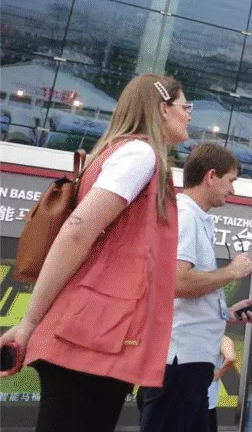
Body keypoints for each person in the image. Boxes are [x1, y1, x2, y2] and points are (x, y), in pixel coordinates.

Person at [0, 75, 190, 432]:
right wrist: (29, 322)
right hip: (93, 334)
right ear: (163, 109)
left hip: (92, 332)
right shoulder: (139, 153)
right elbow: (77, 230)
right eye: (185, 106)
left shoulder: (123, 153)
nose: (190, 115)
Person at [140, 143, 252, 432]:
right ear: (210, 176)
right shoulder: (186, 216)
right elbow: (178, 282)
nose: (232, 190)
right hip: (180, 359)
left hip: (192, 359)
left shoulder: (195, 218)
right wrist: (232, 272)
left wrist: (227, 312)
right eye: (230, 181)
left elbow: (186, 289)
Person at [208, 336, 236, 432]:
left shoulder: (221, 339)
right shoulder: (221, 338)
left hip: (205, 396)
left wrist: (217, 375)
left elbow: (231, 358)